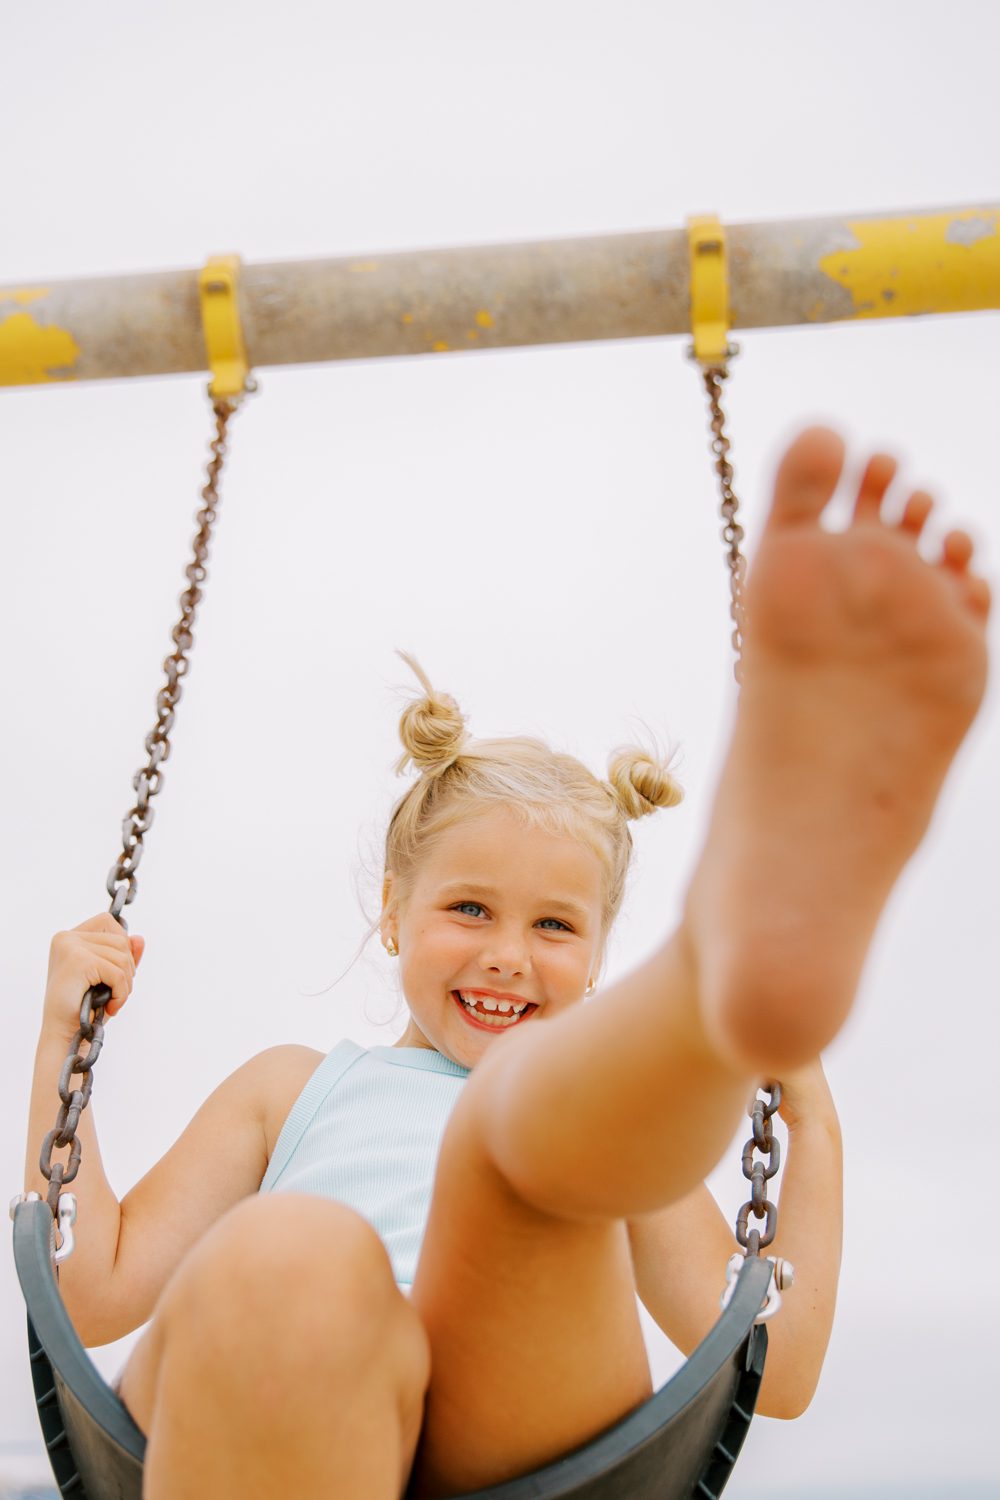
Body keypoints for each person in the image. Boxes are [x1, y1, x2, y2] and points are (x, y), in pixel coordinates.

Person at [24, 427, 990, 1500]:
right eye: (470, 908)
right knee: (294, 1253)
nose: (507, 957)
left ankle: (721, 985)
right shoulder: (291, 1092)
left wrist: (811, 1124)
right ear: (392, 912)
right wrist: (66, 1032)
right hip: (279, 1408)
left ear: (599, 956)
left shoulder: (597, 1138)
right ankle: (702, 993)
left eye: (555, 928)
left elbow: (782, 1366)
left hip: (521, 1420)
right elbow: (95, 1287)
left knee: (527, 1139)